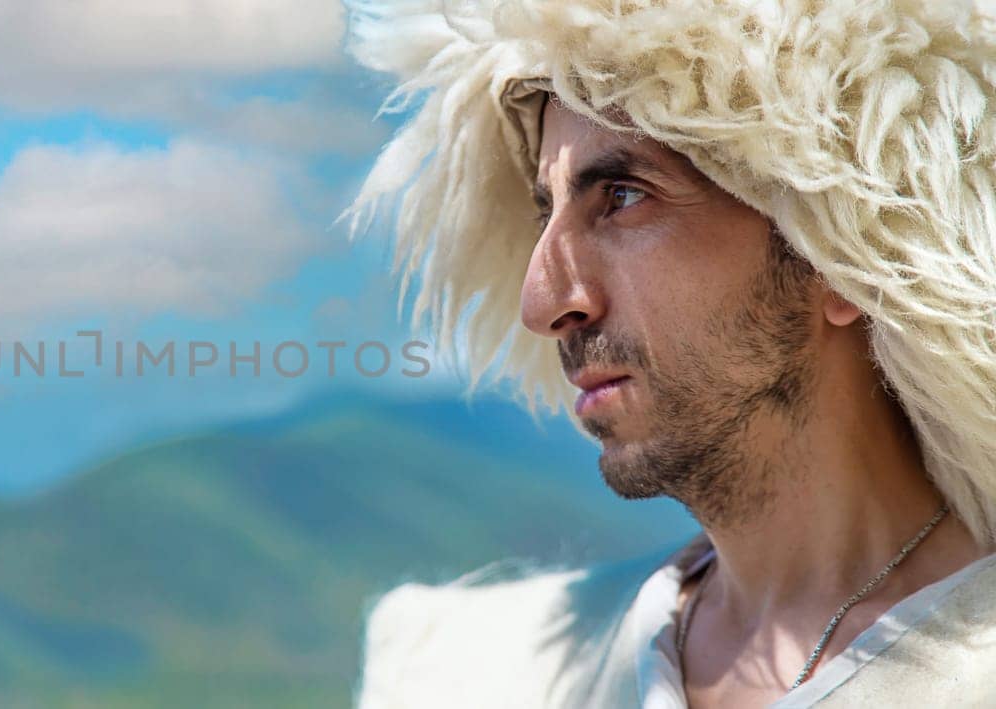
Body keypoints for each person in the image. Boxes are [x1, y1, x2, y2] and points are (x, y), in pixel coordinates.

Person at [342, 1, 996, 706]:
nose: (542, 301)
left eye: (622, 197)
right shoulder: (468, 672)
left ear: (839, 256)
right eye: (544, 213)